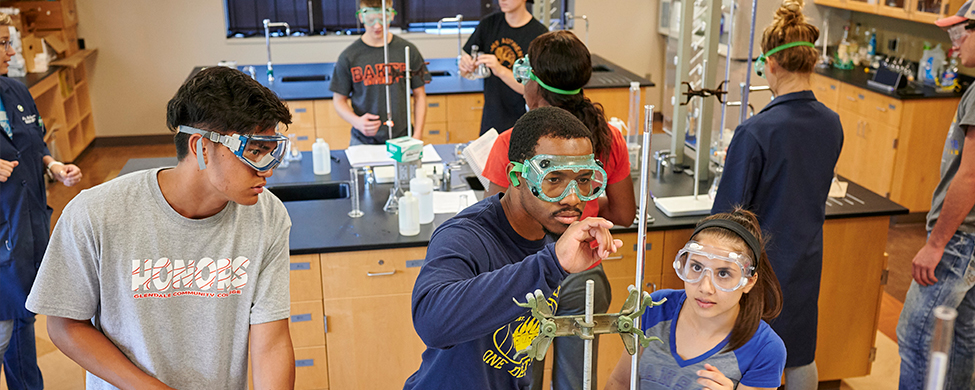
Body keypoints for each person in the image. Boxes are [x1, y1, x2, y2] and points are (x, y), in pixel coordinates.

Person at [25, 66, 296, 389]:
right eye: (254, 151)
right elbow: (64, 324)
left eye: (272, 151)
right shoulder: (96, 213)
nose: (267, 169)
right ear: (201, 148)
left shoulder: (268, 216)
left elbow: (272, 340)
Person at [404, 106, 624, 390]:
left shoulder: (548, 236)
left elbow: (516, 357)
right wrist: (551, 265)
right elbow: (431, 323)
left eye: (583, 180)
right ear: (516, 176)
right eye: (553, 180)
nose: (572, 198)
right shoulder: (466, 235)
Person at [480, 30, 636, 390]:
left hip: (526, 275)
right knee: (576, 381)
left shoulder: (512, 142)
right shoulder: (608, 137)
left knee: (520, 378)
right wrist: (583, 201)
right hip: (585, 277)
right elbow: (625, 214)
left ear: (532, 85)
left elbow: (494, 217)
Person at [710, 1, 842, 388]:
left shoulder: (756, 131)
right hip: (805, 263)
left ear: (769, 64)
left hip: (758, 273)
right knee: (800, 355)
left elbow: (725, 220)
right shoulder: (831, 125)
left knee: (743, 359)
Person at [604, 209, 786, 390]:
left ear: (748, 281)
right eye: (697, 267)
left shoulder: (766, 349)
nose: (705, 287)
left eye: (723, 273)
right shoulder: (656, 306)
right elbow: (620, 383)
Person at [0, 13, 82, 390]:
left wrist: (53, 166)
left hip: (26, 223)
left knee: (23, 315)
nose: (12, 51)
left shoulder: (15, 91)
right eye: (2, 43)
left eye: (9, 41)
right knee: (5, 324)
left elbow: (33, 143)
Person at [897, 2, 975, 389]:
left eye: (961, 35)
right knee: (962, 343)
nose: (954, 47)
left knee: (915, 339)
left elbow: (971, 174)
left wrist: (937, 242)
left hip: (959, 240)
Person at [331, 0, 431, 146]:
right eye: (371, 20)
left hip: (403, 139)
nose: (377, 25)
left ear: (391, 16)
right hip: (363, 142)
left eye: (383, 19)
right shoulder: (349, 56)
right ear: (361, 18)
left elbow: (419, 95)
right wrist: (357, 122)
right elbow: (339, 100)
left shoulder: (408, 51)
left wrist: (417, 136)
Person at [459, 0, 548, 135]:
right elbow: (466, 71)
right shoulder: (488, 24)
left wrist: (499, 69)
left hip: (524, 123)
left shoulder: (539, 34)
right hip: (491, 120)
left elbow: (534, 90)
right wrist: (466, 66)